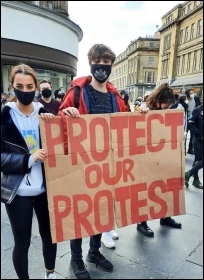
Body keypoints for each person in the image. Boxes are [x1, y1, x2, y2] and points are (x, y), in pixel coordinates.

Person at [58, 43, 130, 279]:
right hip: (80, 165)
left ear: (111, 65)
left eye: (106, 62)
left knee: (101, 211)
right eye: (97, 62)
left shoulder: (115, 96)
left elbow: (126, 123)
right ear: (90, 63)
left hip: (106, 165)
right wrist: (64, 114)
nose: (102, 67)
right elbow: (58, 122)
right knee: (80, 213)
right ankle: (76, 259)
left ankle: (94, 252)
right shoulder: (76, 92)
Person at [1, 64, 57, 279]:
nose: (25, 90)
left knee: (50, 236)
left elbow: (66, 142)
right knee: (22, 242)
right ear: (12, 87)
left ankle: (50, 273)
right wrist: (28, 159)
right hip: (18, 193)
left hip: (46, 189)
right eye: (19, 86)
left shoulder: (45, 114)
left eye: (29, 86)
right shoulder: (4, 117)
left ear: (35, 87)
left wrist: (69, 115)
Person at [136, 83, 182, 238]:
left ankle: (165, 217)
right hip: (147, 158)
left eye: (170, 106)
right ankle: (141, 223)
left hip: (163, 156)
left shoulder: (167, 113)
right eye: (165, 105)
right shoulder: (144, 109)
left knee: (166, 186)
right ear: (157, 102)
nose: (167, 108)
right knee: (146, 189)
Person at [185, 103, 203, 189]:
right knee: (197, 160)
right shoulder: (197, 110)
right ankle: (195, 180)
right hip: (199, 140)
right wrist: (199, 134)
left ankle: (188, 174)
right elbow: (190, 124)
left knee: (199, 161)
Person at [185, 89, 201, 154]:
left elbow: (198, 106)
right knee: (184, 135)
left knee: (192, 136)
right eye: (191, 93)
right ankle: (184, 149)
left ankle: (190, 149)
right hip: (186, 119)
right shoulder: (185, 100)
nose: (192, 94)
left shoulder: (196, 98)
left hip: (193, 119)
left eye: (193, 93)